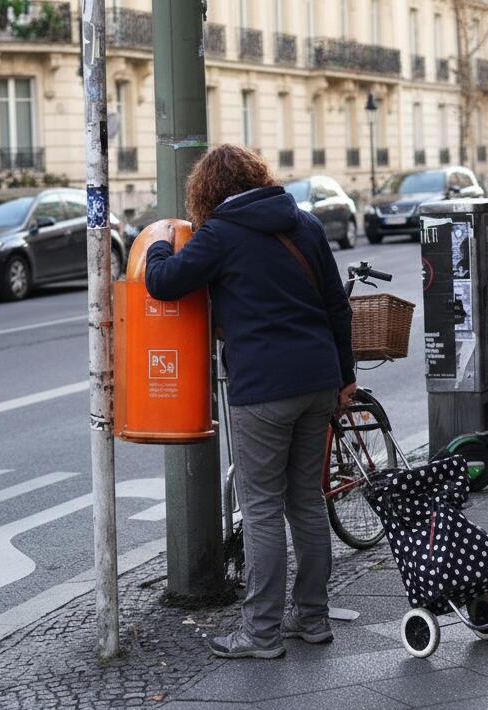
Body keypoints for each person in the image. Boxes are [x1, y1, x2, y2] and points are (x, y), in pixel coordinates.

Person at [145, 144, 356, 659]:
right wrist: (345, 376)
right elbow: (337, 305)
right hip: (318, 381)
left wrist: (157, 242)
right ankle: (312, 619)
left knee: (261, 510)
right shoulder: (303, 224)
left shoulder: (220, 233)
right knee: (307, 502)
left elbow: (163, 282)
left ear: (208, 192)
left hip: (263, 389)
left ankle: (260, 633)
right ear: (259, 178)